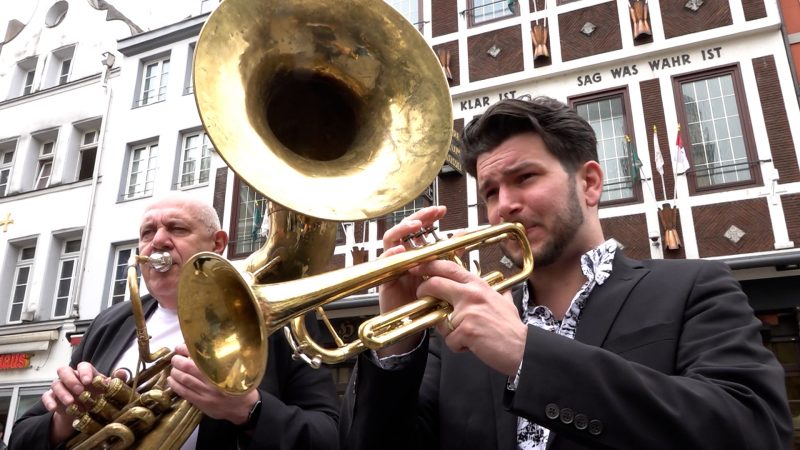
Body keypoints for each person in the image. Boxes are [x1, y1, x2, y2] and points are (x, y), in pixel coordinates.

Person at [339, 97, 793, 450]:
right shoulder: (458, 337)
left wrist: (525, 354)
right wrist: (397, 345)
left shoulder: (694, 288)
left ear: (590, 183)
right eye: (491, 192)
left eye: (525, 178)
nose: (504, 206)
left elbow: (752, 431)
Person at [10, 193, 339, 450]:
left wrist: (249, 409)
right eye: (147, 232)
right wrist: (63, 421)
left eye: (177, 228)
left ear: (218, 244)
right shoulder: (109, 323)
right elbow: (22, 435)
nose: (158, 241)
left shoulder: (280, 321)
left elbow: (329, 437)